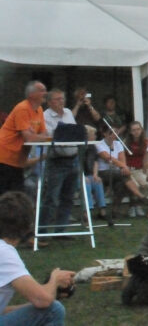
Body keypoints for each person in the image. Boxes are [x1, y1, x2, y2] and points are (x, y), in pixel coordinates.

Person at [0, 191, 75, 325]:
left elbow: (4, 312)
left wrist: (51, 294)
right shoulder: (4, 252)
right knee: (54, 309)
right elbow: (43, 301)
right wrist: (55, 279)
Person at [38, 89, 79, 237]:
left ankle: (60, 230)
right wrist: (64, 133)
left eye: (62, 98)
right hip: (57, 160)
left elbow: (74, 132)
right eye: (57, 99)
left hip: (73, 158)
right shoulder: (44, 116)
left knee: (68, 197)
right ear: (49, 102)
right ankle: (41, 230)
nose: (61, 101)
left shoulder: (68, 113)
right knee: (52, 197)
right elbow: (51, 135)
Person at [0, 82, 50, 195]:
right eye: (41, 90)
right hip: (4, 158)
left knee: (17, 196)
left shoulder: (39, 110)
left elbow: (45, 135)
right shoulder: (22, 108)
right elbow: (29, 139)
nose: (45, 93)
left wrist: (35, 135)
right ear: (31, 94)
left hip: (18, 161)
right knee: (5, 196)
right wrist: (34, 136)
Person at [96, 125, 147, 220]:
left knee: (121, 184)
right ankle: (141, 197)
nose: (114, 135)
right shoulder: (99, 144)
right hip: (103, 172)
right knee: (123, 175)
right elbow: (108, 158)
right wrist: (124, 167)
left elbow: (122, 158)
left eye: (115, 132)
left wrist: (123, 167)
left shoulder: (118, 144)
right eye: (111, 133)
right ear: (104, 133)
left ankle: (114, 211)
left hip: (117, 171)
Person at [124, 122, 148, 218]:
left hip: (140, 170)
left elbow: (147, 158)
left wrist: (146, 172)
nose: (136, 132)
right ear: (130, 132)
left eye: (138, 129)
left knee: (145, 184)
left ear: (141, 130)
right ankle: (132, 207)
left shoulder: (146, 142)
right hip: (129, 170)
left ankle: (138, 206)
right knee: (135, 185)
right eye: (134, 130)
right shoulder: (126, 143)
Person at [81, 126, 107, 221]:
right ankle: (87, 212)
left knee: (97, 181)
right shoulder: (79, 147)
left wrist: (95, 174)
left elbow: (96, 161)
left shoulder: (93, 147)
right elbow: (77, 164)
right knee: (86, 184)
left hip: (91, 174)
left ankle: (102, 210)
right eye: (93, 134)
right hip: (80, 175)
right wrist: (82, 176)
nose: (95, 136)